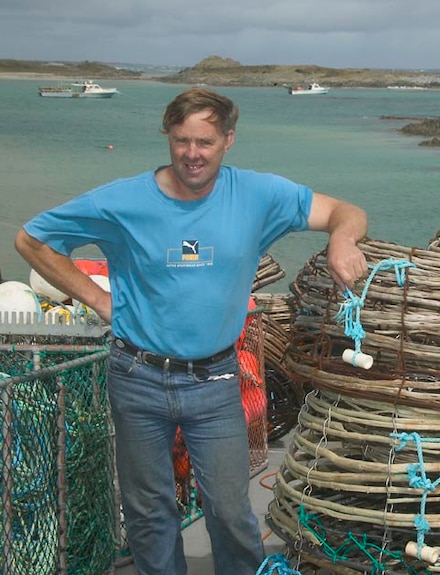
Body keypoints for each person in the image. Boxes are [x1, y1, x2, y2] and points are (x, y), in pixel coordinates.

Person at [15, 87, 368, 575]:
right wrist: (98, 299)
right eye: (181, 141)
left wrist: (341, 241)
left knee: (228, 511)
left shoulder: (258, 196)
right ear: (168, 138)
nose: (192, 154)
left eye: (205, 142)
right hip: (136, 376)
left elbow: (343, 212)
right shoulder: (122, 201)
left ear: (229, 139)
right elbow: (32, 239)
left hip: (217, 381)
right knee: (149, 514)